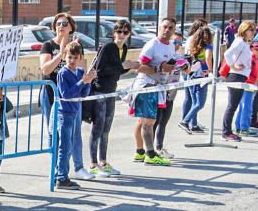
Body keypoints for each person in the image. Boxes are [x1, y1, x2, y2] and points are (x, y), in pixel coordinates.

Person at [90, 18, 137, 175]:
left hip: (111, 91)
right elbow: (99, 70)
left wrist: (128, 67)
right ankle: (93, 163)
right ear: (113, 33)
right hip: (100, 91)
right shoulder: (108, 47)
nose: (121, 35)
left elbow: (117, 70)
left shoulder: (123, 48)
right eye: (119, 31)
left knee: (106, 128)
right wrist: (122, 66)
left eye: (125, 32)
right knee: (98, 127)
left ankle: (103, 161)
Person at [130, 17, 178, 166]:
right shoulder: (152, 45)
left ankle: (139, 152)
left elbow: (168, 65)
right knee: (148, 122)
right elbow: (139, 66)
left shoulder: (170, 46)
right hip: (147, 85)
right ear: (159, 27)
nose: (167, 30)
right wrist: (159, 69)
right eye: (165, 27)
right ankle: (150, 155)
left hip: (159, 86)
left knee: (142, 121)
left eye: (170, 28)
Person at [54, 41, 97, 190]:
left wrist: (88, 81)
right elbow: (67, 94)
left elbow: (83, 94)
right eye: (69, 57)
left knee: (70, 145)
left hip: (74, 112)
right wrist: (82, 82)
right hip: (64, 114)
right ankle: (61, 177)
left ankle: (62, 175)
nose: (72, 61)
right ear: (65, 56)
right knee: (64, 147)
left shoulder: (79, 72)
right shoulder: (63, 73)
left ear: (80, 58)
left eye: (75, 58)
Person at [40, 13, 79, 128]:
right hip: (51, 91)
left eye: (65, 24)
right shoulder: (48, 45)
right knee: (52, 129)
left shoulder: (75, 46)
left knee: (69, 129)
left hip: (69, 91)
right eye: (58, 24)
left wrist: (73, 53)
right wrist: (61, 53)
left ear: (71, 27)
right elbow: (45, 70)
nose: (61, 26)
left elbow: (81, 70)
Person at [222, 20, 256, 142]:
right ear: (244, 30)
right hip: (235, 76)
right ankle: (226, 132)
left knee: (234, 106)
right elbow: (227, 53)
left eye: (253, 29)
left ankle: (229, 131)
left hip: (241, 76)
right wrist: (233, 66)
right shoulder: (240, 42)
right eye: (250, 29)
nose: (253, 32)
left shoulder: (244, 43)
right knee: (232, 106)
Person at [153, 30, 185, 158]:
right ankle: (149, 150)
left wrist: (188, 66)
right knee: (154, 121)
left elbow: (188, 71)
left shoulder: (179, 56)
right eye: (175, 41)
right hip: (159, 93)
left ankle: (159, 147)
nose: (177, 44)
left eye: (179, 42)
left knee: (163, 122)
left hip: (171, 95)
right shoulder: (163, 55)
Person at [180, 23, 214, 134]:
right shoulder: (208, 46)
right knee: (200, 103)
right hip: (201, 76)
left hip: (192, 75)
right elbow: (208, 57)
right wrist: (211, 70)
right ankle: (185, 121)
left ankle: (193, 124)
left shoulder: (192, 45)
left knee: (195, 102)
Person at [236, 40, 258, 136]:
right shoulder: (251, 58)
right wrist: (254, 81)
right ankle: (244, 128)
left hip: (250, 84)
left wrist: (256, 80)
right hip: (248, 84)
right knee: (246, 107)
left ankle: (239, 127)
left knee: (243, 107)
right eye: (257, 49)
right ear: (251, 49)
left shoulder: (255, 58)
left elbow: (254, 73)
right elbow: (247, 72)